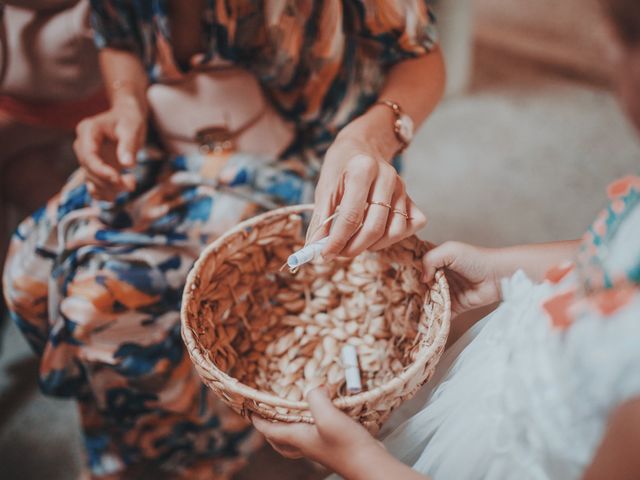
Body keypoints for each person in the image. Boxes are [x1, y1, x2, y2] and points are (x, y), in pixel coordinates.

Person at [2, 0, 445, 478]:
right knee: (38, 276)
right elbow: (119, 39)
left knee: (112, 308)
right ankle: (153, 441)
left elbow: (420, 54)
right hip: (175, 140)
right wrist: (127, 103)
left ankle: (214, 445)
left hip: (318, 159)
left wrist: (371, 138)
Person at [252, 0, 640, 478]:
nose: (603, 47)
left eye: (621, 38)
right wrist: (505, 270)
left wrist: (360, 460)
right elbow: (621, 264)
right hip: (517, 367)